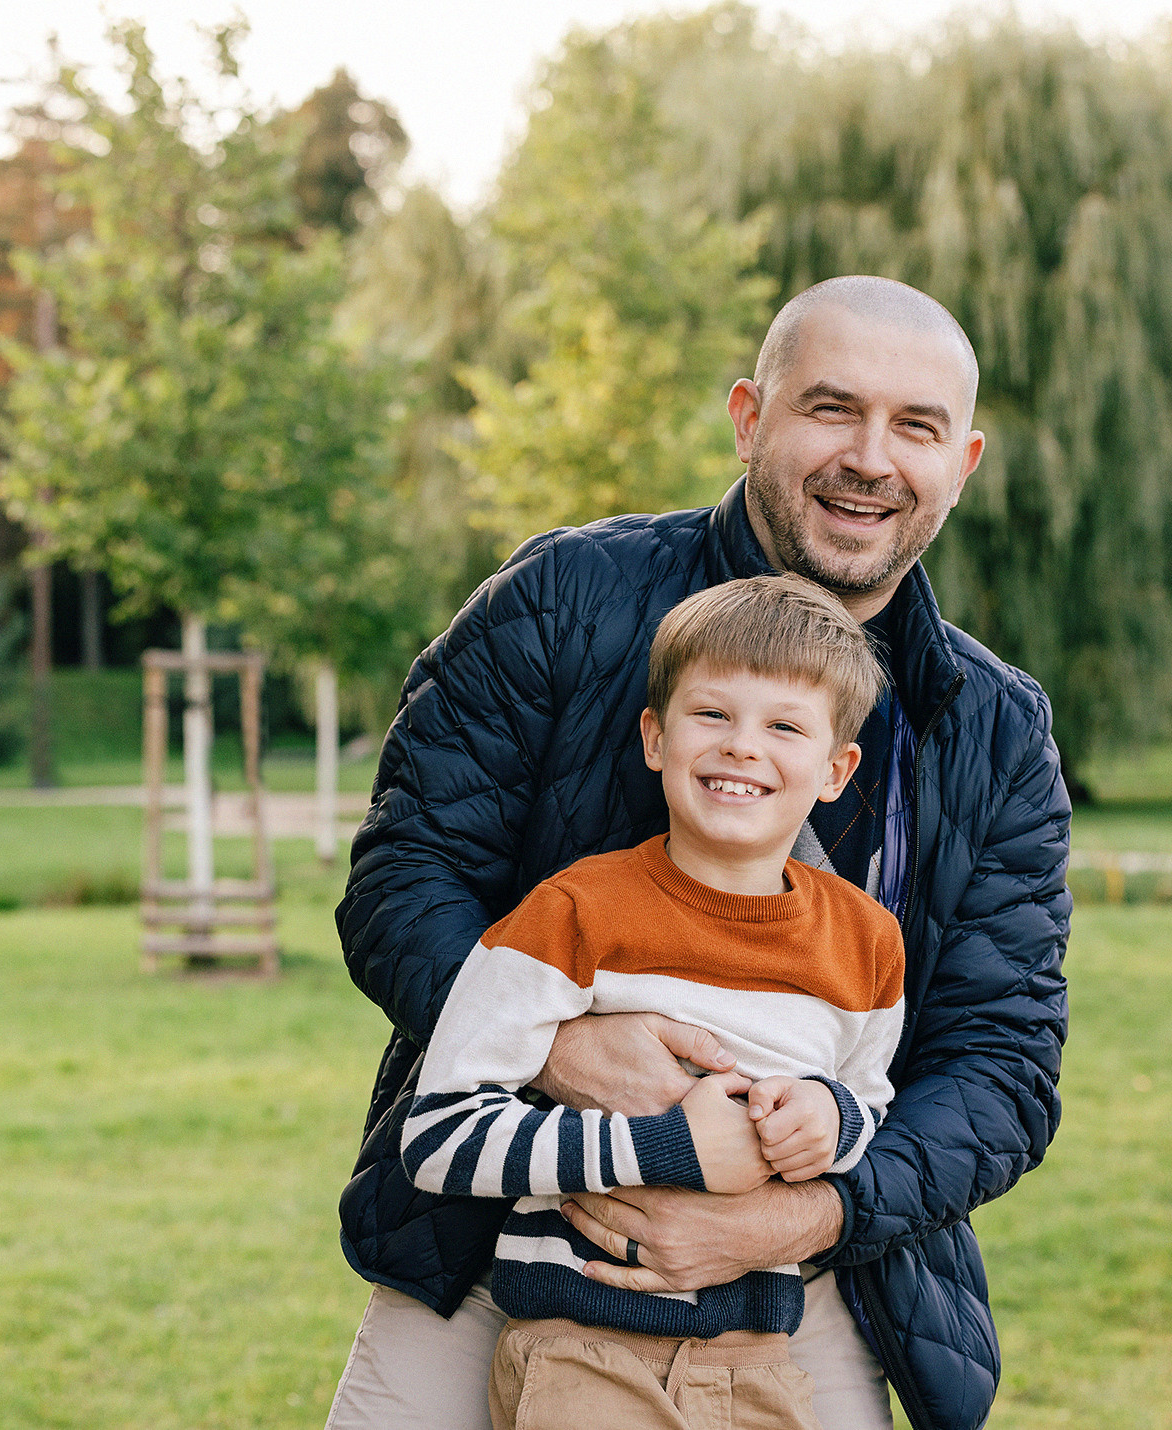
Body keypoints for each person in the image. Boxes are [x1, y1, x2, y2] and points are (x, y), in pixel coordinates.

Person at [327, 275, 1071, 1430]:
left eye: (914, 426)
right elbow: (401, 881)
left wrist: (790, 1215)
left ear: (960, 462)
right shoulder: (560, 599)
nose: (869, 458)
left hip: (808, 1277)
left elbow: (1000, 1062)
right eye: (831, 408)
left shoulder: (994, 723)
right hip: (502, 1237)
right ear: (747, 417)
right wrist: (561, 1048)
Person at [403, 574, 905, 1430]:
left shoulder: (866, 942)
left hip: (758, 1361)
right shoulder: (572, 913)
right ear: (655, 737)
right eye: (712, 714)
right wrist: (660, 1147)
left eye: (784, 727)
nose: (742, 746)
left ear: (835, 770)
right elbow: (438, 1137)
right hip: (583, 1349)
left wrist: (828, 1118)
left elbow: (868, 1105)